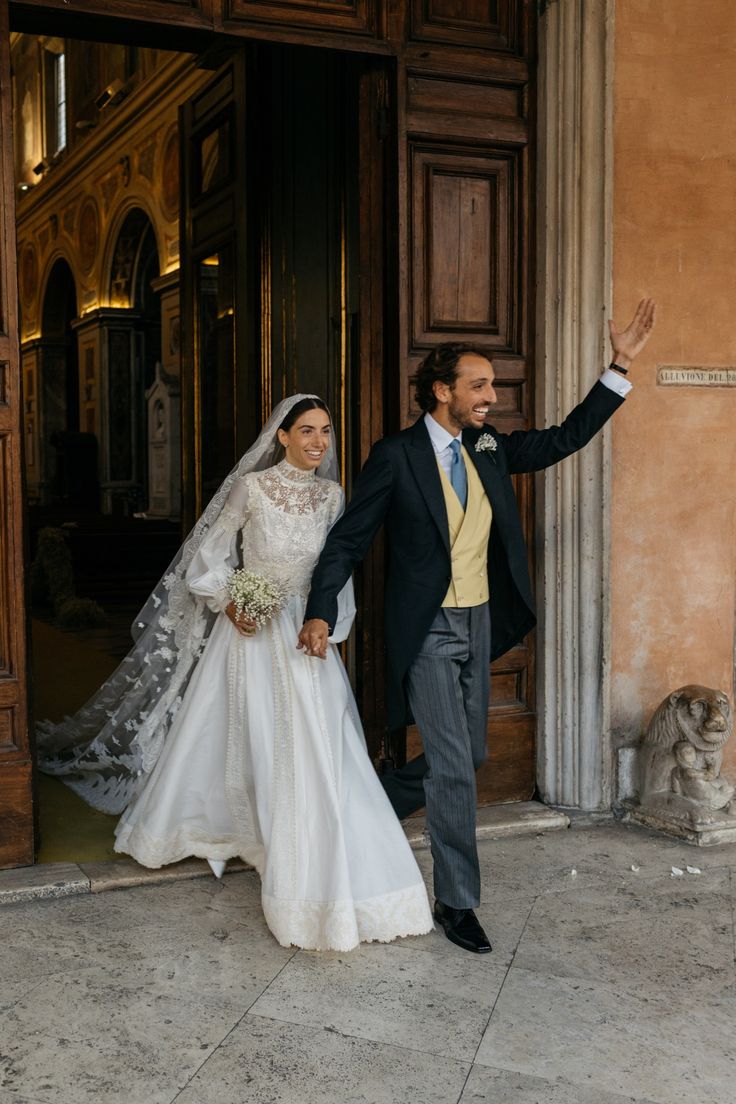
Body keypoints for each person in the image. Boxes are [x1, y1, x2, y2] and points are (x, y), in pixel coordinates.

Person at [299, 299, 657, 955]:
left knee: (470, 756)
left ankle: (362, 805)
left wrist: (620, 364)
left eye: (491, 385)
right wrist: (321, 609)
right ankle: (457, 901)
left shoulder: (487, 445)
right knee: (456, 771)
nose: (492, 396)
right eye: (480, 386)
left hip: (481, 619)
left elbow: (562, 439)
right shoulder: (397, 456)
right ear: (442, 392)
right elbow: (348, 541)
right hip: (429, 628)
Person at [38, 395, 433, 952]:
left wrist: (329, 621)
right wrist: (231, 602)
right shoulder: (254, 488)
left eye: (326, 432)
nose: (319, 443)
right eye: (307, 432)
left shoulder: (331, 495)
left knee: (312, 739)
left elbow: (336, 566)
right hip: (250, 626)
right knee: (238, 728)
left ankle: (303, 835)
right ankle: (223, 825)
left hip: (303, 627)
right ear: (283, 437)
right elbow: (209, 556)